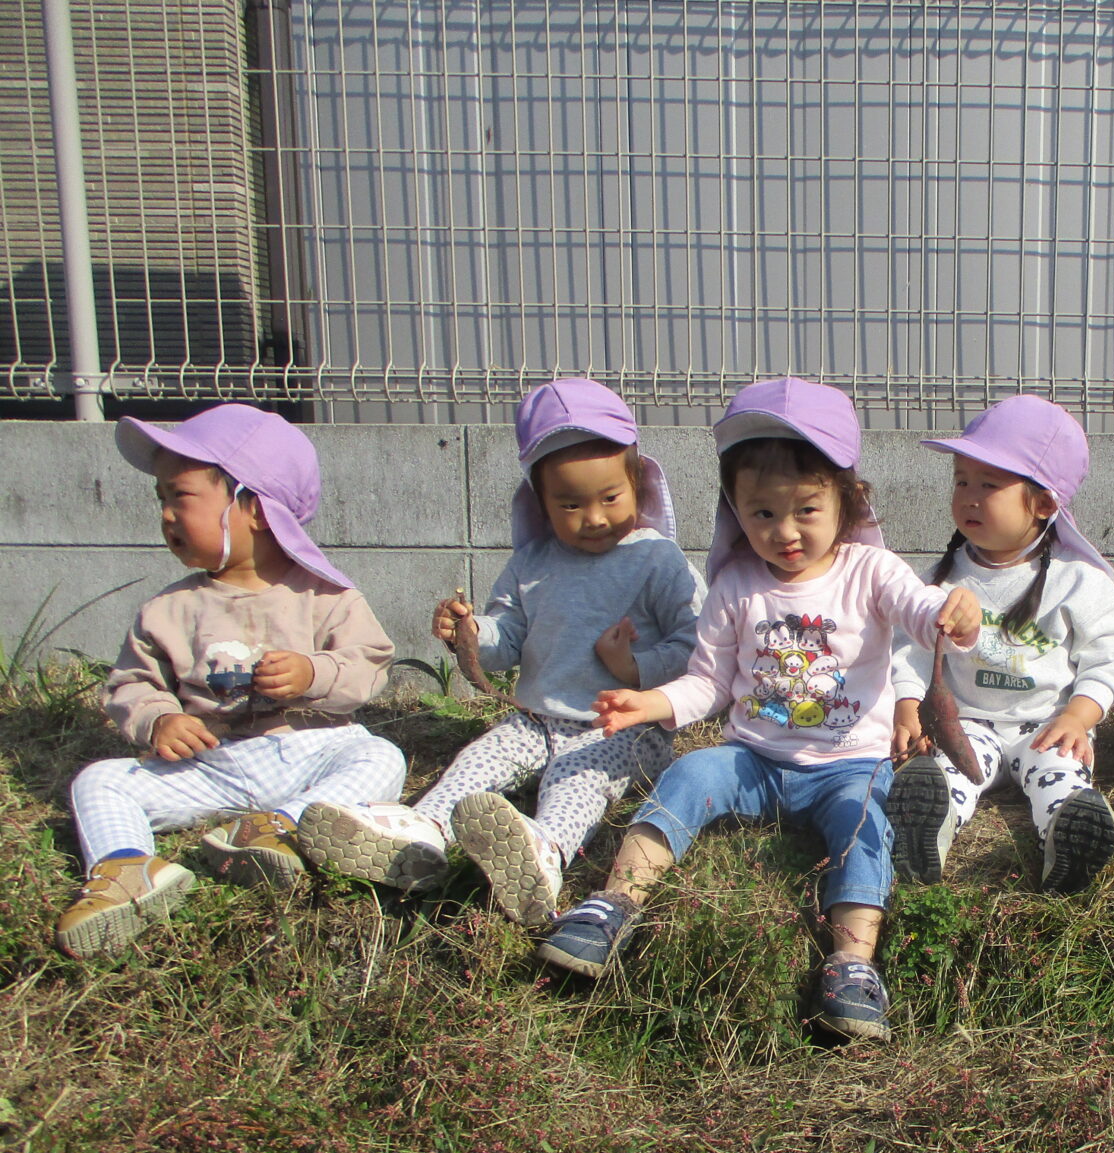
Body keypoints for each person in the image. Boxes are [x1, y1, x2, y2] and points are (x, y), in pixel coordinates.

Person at [538, 378, 982, 1045]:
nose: (785, 531)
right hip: (754, 759)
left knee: (864, 824)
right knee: (691, 774)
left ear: (847, 499)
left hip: (849, 764)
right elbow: (708, 683)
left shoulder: (871, 570)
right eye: (762, 513)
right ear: (735, 511)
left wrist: (954, 612)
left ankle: (852, 963)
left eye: (806, 509)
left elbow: (922, 613)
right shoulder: (736, 585)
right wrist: (652, 702)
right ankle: (614, 902)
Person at [299, 378, 698, 923]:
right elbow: (507, 639)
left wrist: (634, 668)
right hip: (534, 718)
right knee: (477, 761)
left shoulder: (658, 560)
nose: (594, 517)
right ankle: (422, 831)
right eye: (570, 504)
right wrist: (471, 633)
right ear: (541, 504)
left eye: (611, 498)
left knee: (576, 783)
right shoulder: (532, 563)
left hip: (621, 728)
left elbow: (693, 645)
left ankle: (544, 852)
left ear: (638, 484)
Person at [55, 404, 404, 959]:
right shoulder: (167, 610)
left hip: (309, 749)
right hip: (211, 764)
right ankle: (126, 870)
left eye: (181, 496)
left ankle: (280, 830)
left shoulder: (325, 596)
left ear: (255, 508)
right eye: (161, 499)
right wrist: (158, 720)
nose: (167, 514)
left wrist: (314, 673)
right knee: (100, 780)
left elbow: (369, 666)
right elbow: (131, 683)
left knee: (381, 757)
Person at [887, 395, 1114, 893]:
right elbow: (910, 649)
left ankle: (1067, 834)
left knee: (1059, 775)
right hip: (965, 725)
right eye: (961, 481)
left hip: (1046, 726)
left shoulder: (1080, 584)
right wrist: (908, 708)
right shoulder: (938, 580)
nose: (969, 497)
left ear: (1044, 504)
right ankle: (927, 831)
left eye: (989, 484)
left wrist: (1078, 717)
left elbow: (1105, 661)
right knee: (944, 776)